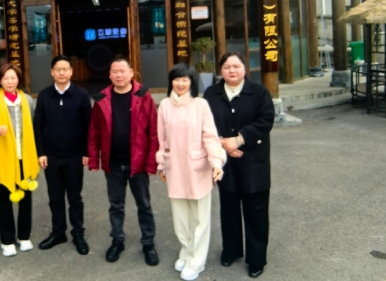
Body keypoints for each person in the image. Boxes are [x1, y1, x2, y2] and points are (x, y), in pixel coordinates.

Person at [204, 52, 274, 279]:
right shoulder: (211, 94)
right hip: (225, 160)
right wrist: (224, 144)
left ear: (245, 68)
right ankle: (231, 251)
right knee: (229, 208)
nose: (231, 71)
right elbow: (205, 124)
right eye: (227, 67)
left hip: (253, 160)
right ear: (220, 70)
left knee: (256, 210)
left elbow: (265, 121)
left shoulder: (259, 92)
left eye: (236, 66)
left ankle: (256, 258)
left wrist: (239, 139)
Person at [88, 57, 160, 266]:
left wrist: (151, 162)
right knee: (116, 206)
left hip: (138, 163)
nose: (119, 75)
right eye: (115, 71)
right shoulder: (101, 99)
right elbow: (94, 132)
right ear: (110, 75)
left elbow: (154, 132)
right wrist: (93, 160)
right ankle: (117, 240)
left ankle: (148, 243)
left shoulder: (143, 96)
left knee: (144, 205)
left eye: (122, 71)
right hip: (113, 164)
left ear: (131, 73)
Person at [157, 63, 226, 281]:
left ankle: (197, 260)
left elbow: (210, 137)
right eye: (176, 79)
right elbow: (162, 139)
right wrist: (162, 164)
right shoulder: (164, 105)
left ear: (192, 82)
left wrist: (216, 163)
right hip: (175, 168)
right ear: (171, 82)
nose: (180, 83)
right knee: (180, 217)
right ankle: (186, 251)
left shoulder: (200, 105)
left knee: (200, 218)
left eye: (185, 79)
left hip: (198, 168)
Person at [34, 55, 93, 255]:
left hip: (75, 155)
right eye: (57, 69)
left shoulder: (81, 95)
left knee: (75, 197)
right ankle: (58, 232)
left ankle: (78, 233)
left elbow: (88, 125)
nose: (61, 72)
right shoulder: (44, 95)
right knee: (55, 197)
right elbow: (38, 125)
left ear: (71, 71)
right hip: (51, 156)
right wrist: (41, 152)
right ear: (52, 72)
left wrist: (86, 152)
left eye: (65, 69)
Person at [0, 63, 40, 257]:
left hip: (25, 158)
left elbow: (33, 127)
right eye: (6, 78)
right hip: (3, 160)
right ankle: (7, 241)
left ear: (18, 79)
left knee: (26, 200)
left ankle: (24, 237)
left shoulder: (27, 100)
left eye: (13, 77)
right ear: (0, 80)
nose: (10, 81)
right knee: (5, 202)